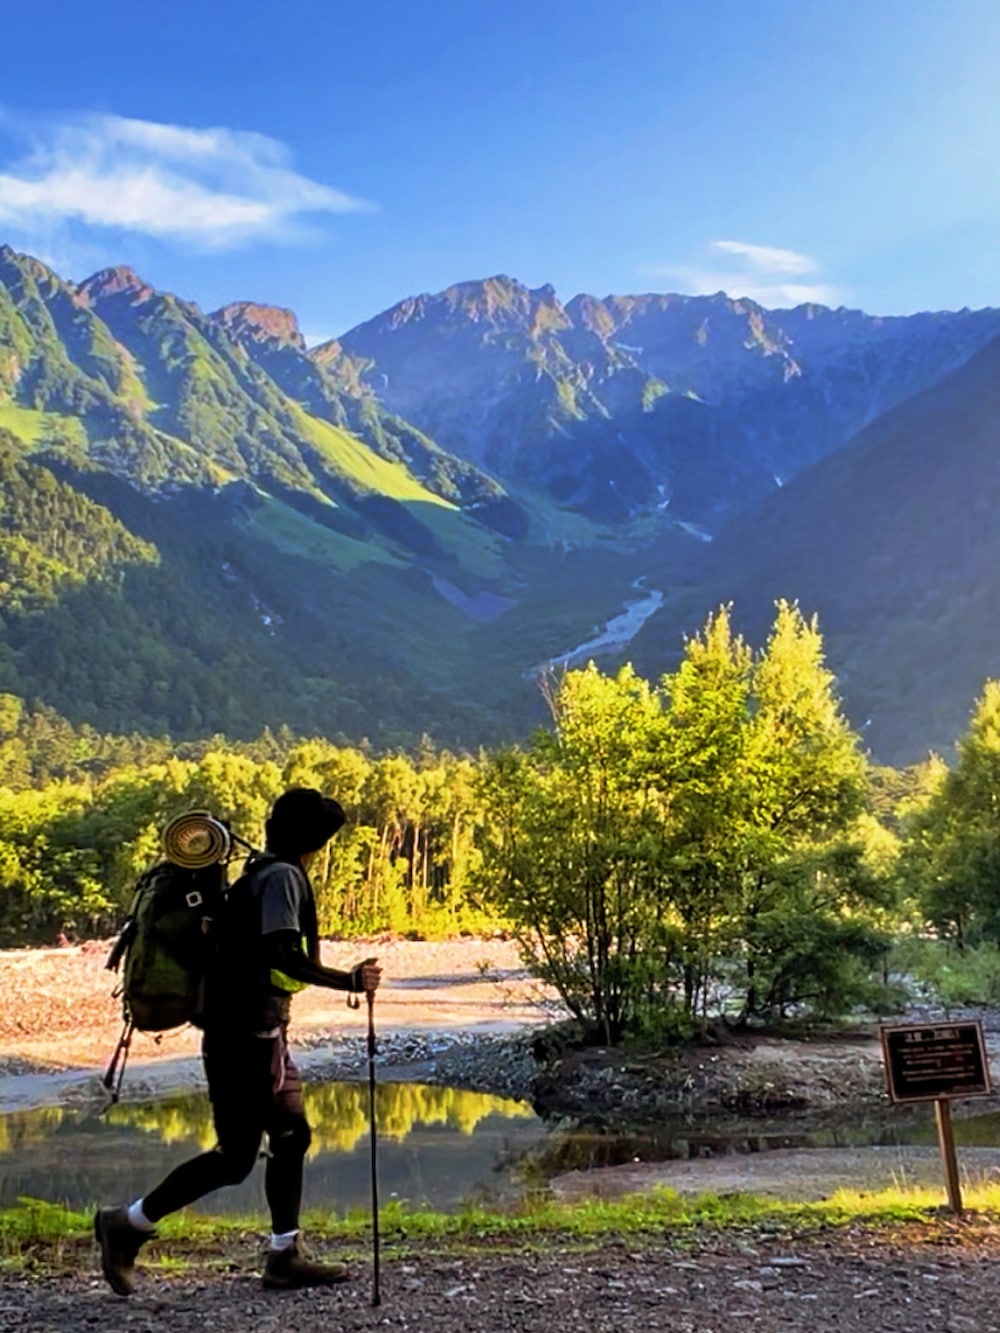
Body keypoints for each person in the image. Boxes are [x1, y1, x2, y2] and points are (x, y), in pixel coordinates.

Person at [95, 786, 382, 1296]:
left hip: (258, 1035)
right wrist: (350, 981)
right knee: (235, 1158)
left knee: (291, 1136)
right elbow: (281, 954)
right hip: (244, 1038)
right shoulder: (282, 878)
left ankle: (283, 1255)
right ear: (314, 842)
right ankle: (126, 1224)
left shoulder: (262, 872)